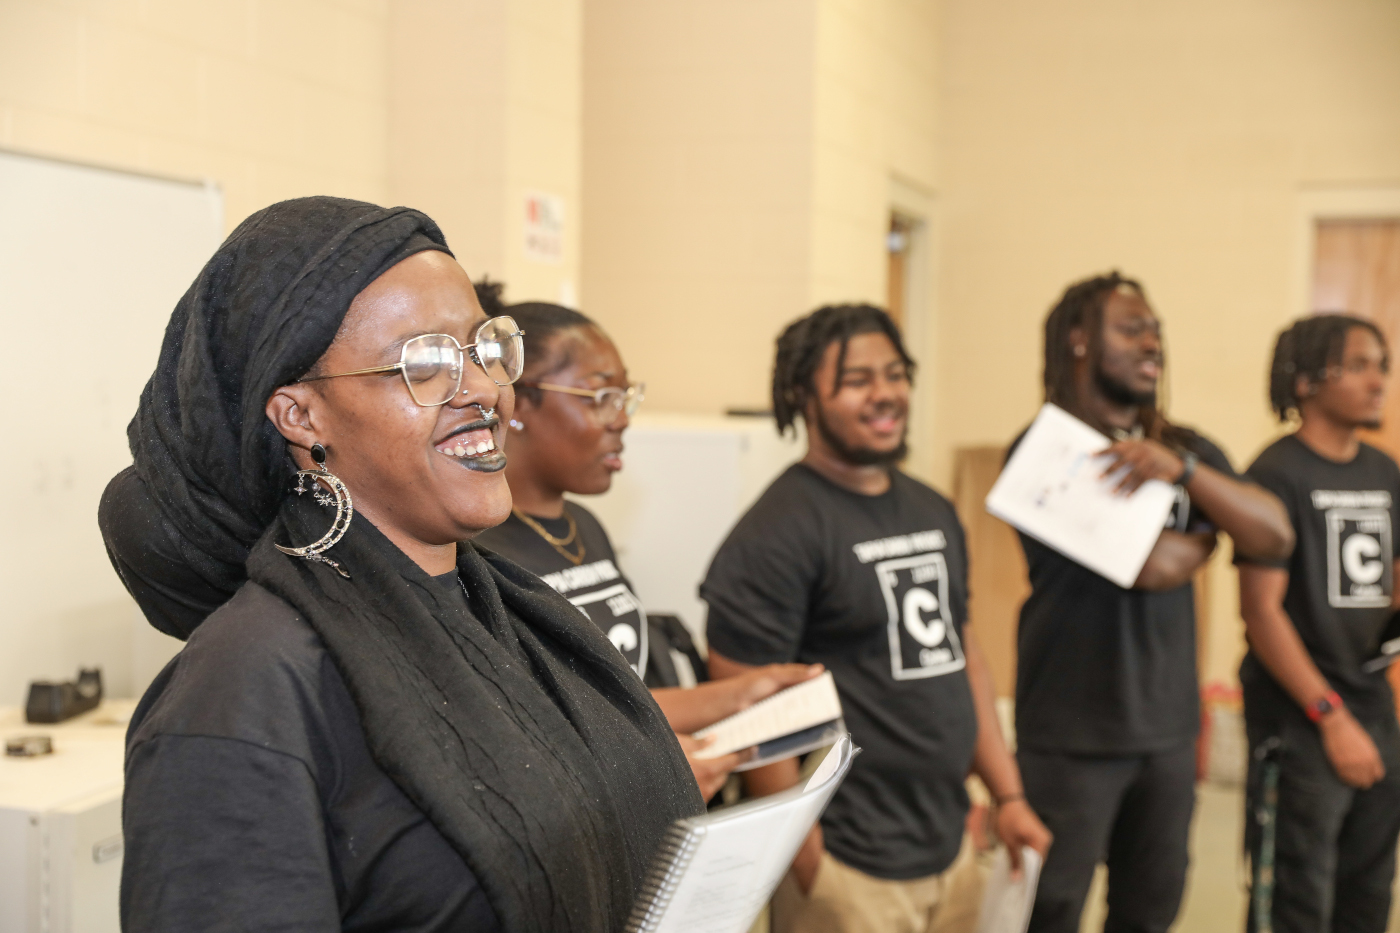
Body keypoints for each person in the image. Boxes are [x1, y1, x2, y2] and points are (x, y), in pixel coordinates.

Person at [98, 197, 702, 933]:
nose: (483, 390)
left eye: (484, 349)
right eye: (425, 362)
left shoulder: (506, 607)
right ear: (300, 415)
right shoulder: (243, 691)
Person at [702, 303, 1051, 933]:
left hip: (950, 851)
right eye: (859, 380)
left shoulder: (934, 509)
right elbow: (740, 705)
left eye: (896, 374)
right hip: (849, 870)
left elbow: (963, 655)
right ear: (803, 395)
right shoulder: (775, 532)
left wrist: (1008, 796)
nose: (886, 395)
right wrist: (806, 861)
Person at [1012, 272, 1293, 933]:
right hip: (1070, 734)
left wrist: (1186, 473)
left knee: (1151, 909)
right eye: (1131, 327)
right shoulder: (1046, 450)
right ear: (1078, 341)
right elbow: (1151, 567)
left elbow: (1276, 530)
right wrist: (1210, 534)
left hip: (1167, 732)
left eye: (1156, 329)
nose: (1152, 342)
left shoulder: (1186, 449)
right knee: (1050, 911)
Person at [472, 297, 825, 799]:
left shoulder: (585, 528)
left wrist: (742, 693)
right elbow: (522, 738)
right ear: (519, 402)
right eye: (600, 397)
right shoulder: (478, 550)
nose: (622, 419)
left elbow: (619, 701)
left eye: (625, 396)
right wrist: (648, 763)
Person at [1236, 314, 1400, 932]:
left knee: (1369, 894)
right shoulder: (1276, 475)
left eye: (1381, 364)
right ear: (1305, 381)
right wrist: (1331, 716)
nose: (1378, 380)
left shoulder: (1384, 472)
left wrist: (1383, 686)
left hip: (1376, 713)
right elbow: (1260, 611)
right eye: (1359, 365)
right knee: (1297, 904)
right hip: (1303, 722)